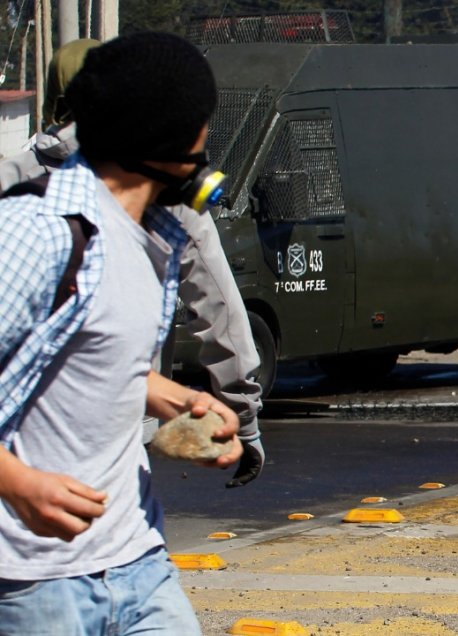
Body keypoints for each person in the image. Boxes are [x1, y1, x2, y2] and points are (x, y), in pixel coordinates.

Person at [0, 32, 241, 634]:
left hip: (138, 559)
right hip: (34, 582)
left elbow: (95, 359)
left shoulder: (152, 234)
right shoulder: (42, 232)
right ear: (170, 137)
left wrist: (177, 400)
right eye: (201, 122)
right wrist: (18, 483)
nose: (207, 138)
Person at [0, 38, 267, 489]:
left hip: (117, 510)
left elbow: (108, 365)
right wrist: (244, 414)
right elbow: (219, 308)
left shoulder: (14, 175)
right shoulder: (33, 221)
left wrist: (192, 405)